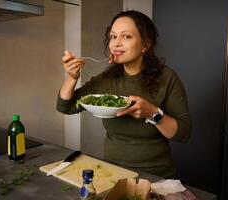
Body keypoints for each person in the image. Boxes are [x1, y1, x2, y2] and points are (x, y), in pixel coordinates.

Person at [57, 10, 191, 179]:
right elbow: (65, 106)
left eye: (126, 36)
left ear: (145, 44)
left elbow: (184, 133)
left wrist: (153, 113)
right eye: (113, 37)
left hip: (156, 176)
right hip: (112, 172)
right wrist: (72, 78)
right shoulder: (107, 79)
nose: (116, 43)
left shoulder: (167, 78)